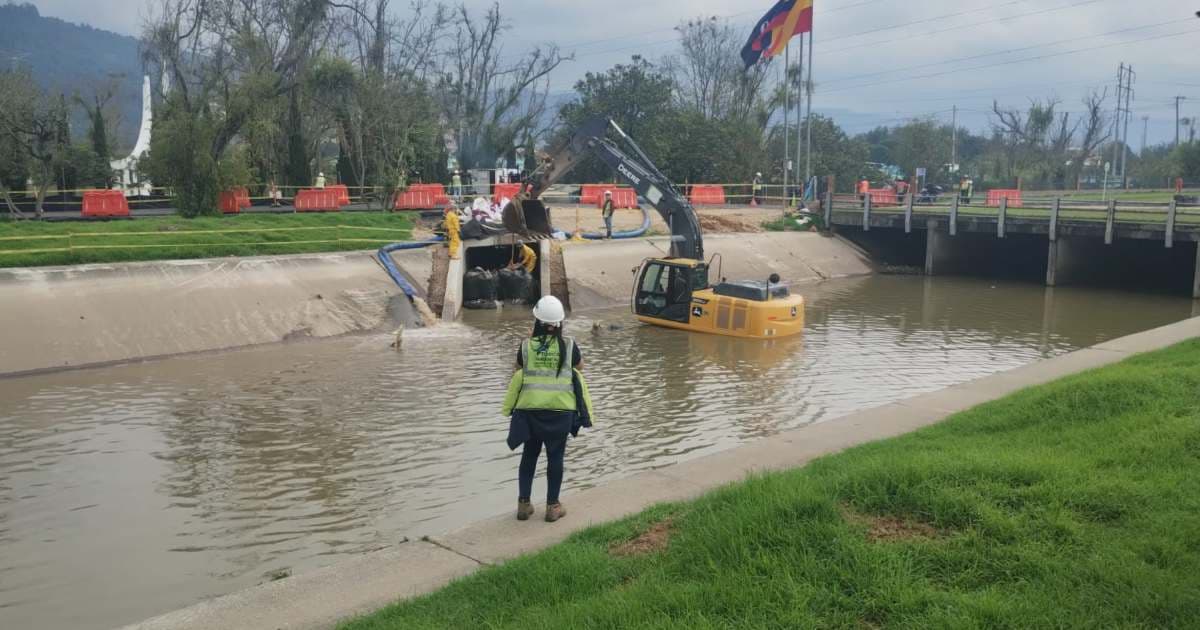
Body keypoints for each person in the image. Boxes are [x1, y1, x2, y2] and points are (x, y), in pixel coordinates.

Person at [501, 297, 591, 523]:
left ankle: (523, 505)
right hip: (560, 412)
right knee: (556, 457)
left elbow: (518, 369)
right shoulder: (569, 346)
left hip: (530, 412)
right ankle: (553, 507)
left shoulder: (526, 346)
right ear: (560, 323)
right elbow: (580, 367)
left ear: (537, 321)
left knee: (529, 455)